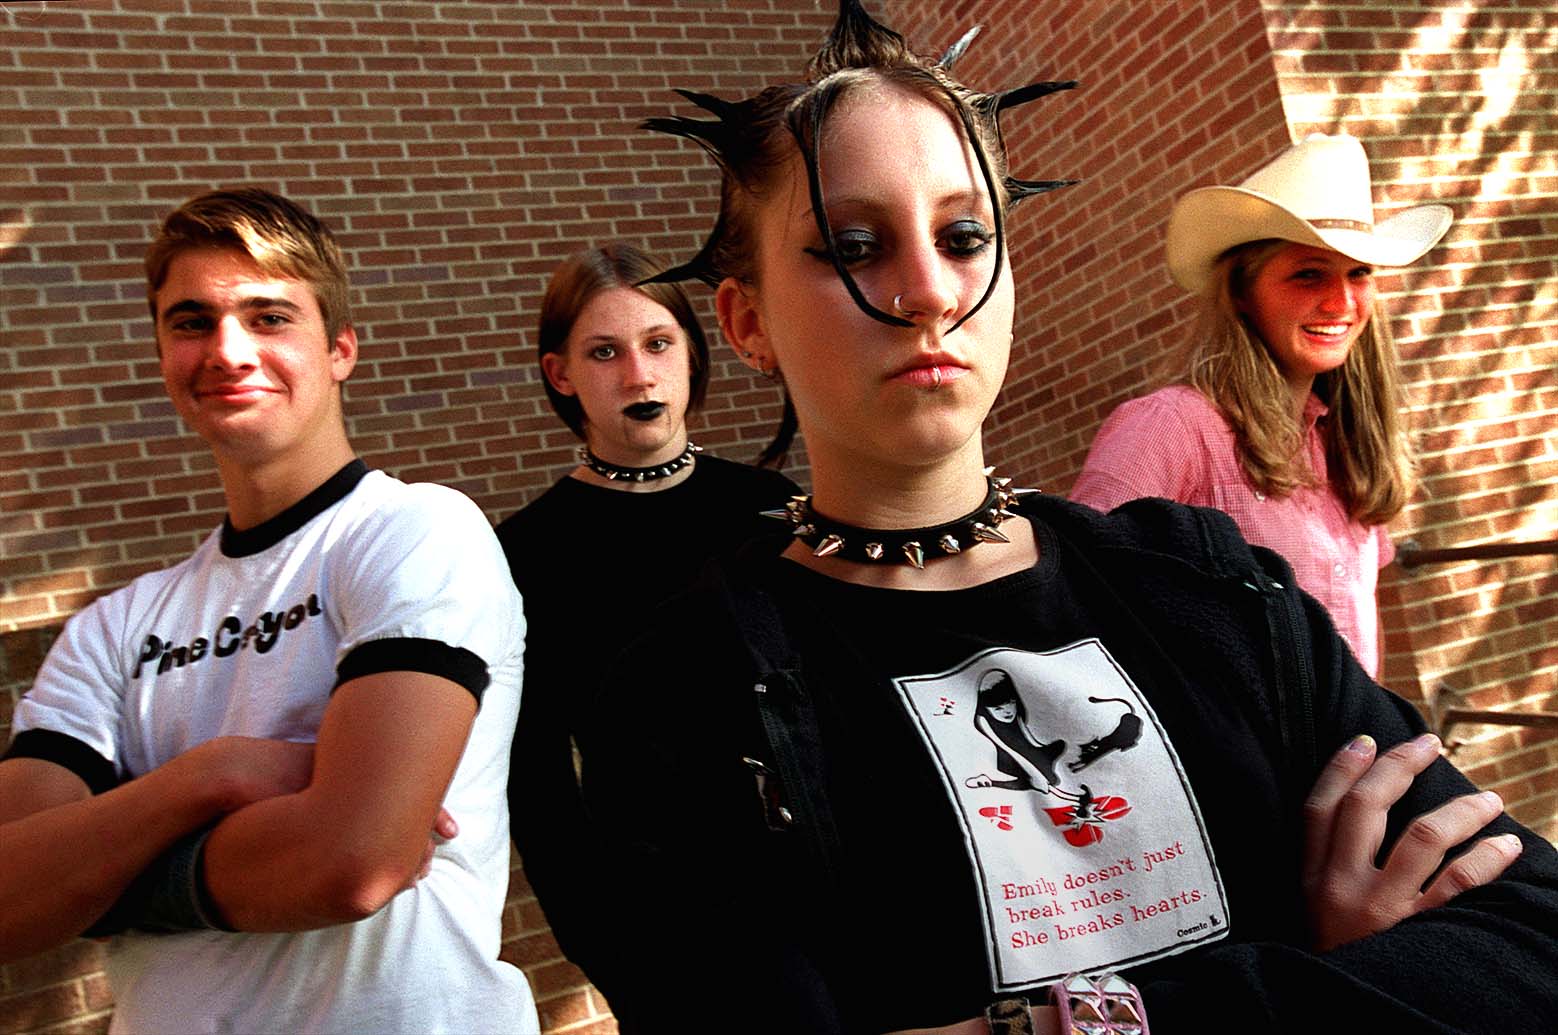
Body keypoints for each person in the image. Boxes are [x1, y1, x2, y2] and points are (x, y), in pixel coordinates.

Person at [574, 4, 1558, 1033]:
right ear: (746, 323)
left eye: (964, 237)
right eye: (852, 245)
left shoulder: (1205, 582)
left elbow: (1529, 943)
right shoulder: (675, 694)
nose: (925, 292)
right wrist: (1328, 974)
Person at [0, 188, 538, 1034]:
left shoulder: (415, 532)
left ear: (339, 349)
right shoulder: (112, 629)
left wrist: (93, 869)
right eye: (190, 321)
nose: (227, 349)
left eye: (268, 315)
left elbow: (351, 860)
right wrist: (204, 777)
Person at [493, 242, 798, 1006]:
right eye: (604, 352)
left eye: (658, 343)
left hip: (819, 895)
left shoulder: (766, 506)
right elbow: (534, 779)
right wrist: (608, 946)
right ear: (561, 375)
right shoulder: (527, 550)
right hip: (665, 927)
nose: (638, 374)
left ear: (692, 354)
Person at [1071, 133, 1451, 677]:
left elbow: (1361, 630)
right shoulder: (1172, 426)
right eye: (1308, 273)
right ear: (1243, 295)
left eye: (1359, 273)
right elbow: (1084, 598)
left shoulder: (1342, 440)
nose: (1341, 301)